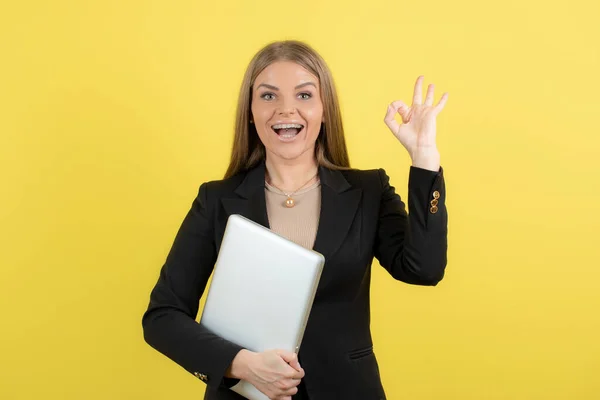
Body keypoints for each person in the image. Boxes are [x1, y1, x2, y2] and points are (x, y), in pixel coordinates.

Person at [142, 40, 449, 400]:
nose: (286, 110)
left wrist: (424, 157)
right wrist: (239, 364)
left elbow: (424, 269)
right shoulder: (216, 200)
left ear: (324, 110)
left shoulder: (368, 191)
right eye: (268, 96)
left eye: (304, 96)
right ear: (250, 111)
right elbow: (162, 317)